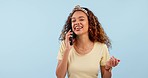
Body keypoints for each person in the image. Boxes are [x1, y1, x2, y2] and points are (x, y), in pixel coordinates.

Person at [56, 5, 120, 78]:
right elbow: (60, 76)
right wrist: (67, 50)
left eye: (81, 19)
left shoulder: (101, 47)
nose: (77, 23)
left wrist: (108, 68)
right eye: (73, 20)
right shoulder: (65, 45)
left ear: (90, 23)